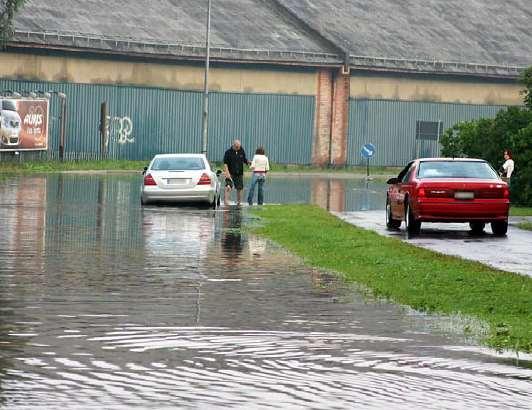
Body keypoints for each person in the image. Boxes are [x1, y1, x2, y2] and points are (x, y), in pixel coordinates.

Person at [223, 139, 250, 206]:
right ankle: (226, 202)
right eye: (237, 147)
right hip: (230, 173)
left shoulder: (241, 150)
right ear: (233, 145)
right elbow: (225, 164)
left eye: (239, 147)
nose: (238, 148)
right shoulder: (228, 152)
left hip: (239, 173)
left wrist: (248, 162)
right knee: (228, 187)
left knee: (240, 188)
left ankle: (239, 202)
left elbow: (244, 159)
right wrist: (227, 173)